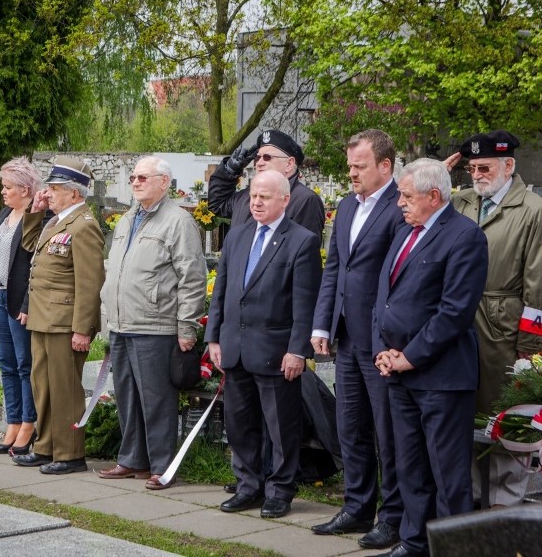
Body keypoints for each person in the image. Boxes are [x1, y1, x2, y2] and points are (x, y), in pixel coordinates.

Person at [372, 158, 488, 557]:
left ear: (434, 195)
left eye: (406, 196)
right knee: (410, 467)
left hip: (441, 376)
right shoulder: (404, 232)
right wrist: (382, 352)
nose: (399, 203)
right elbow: (383, 300)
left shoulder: (463, 236)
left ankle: (452, 548)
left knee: (447, 472)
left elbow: (455, 311)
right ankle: (415, 541)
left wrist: (411, 356)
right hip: (399, 373)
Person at [205, 169, 322, 518]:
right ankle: (248, 486)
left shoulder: (300, 241)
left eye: (265, 197)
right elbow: (221, 293)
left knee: (281, 428)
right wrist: (213, 336)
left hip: (276, 352)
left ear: (284, 200)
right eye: (253, 196)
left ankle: (280, 490)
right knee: (239, 424)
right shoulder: (238, 236)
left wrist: (298, 349)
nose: (256, 202)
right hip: (235, 348)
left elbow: (305, 303)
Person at [310, 130, 405, 549]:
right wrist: (322, 324)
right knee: (350, 427)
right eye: (350, 165)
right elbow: (335, 269)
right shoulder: (348, 205)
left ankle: (394, 516)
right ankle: (356, 506)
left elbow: (401, 275)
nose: (351, 174)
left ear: (385, 166)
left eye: (359, 166)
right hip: (347, 336)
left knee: (388, 432)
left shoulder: (400, 206)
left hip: (382, 340)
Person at [99, 156, 206, 489]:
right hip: (122, 322)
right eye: (133, 177)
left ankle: (162, 466)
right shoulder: (127, 219)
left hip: (155, 324)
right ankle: (133, 460)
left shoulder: (178, 222)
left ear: (164, 182)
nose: (135, 182)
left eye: (143, 177)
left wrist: (187, 327)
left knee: (157, 399)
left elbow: (192, 277)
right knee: (127, 396)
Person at [447, 130, 542, 506]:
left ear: (509, 165)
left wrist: (530, 349)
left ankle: (505, 510)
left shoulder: (533, 210)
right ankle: (469, 504)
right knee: (463, 413)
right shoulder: (463, 202)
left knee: (503, 416)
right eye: (472, 168)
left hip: (504, 328)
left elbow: (538, 286)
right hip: (461, 321)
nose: (477, 175)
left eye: (484, 167)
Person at [12, 156, 105, 475]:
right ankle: (46, 446)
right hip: (43, 318)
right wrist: (34, 213)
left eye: (53, 189)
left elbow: (90, 282)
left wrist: (83, 329)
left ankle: (70, 453)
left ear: (74, 194)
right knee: (44, 385)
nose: (47, 193)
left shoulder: (84, 225)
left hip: (65, 323)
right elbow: (29, 248)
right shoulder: (55, 220)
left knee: (65, 389)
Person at [0, 157, 43, 455]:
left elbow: (35, 266)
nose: (3, 191)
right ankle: (13, 421)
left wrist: (28, 303)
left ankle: (29, 422)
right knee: (5, 364)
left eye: (8, 187)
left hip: (18, 301)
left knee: (23, 364)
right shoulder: (5, 213)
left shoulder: (37, 217)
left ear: (26, 190)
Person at [207, 129, 325, 237]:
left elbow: (304, 251)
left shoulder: (305, 200)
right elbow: (217, 204)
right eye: (258, 158)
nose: (259, 163)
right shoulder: (247, 195)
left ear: (289, 164)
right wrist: (229, 171)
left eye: (267, 157)